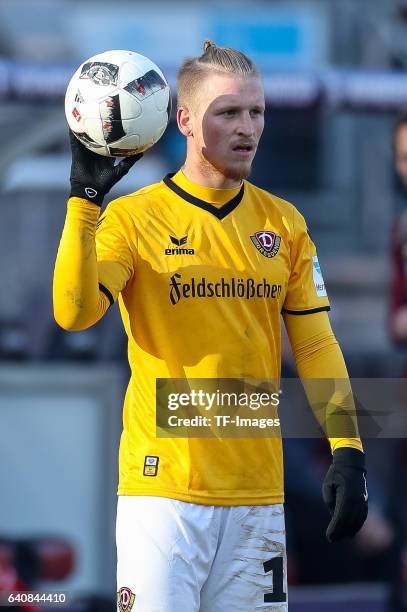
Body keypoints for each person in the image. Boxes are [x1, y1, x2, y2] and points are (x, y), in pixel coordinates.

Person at [53, 41, 368, 612]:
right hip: (163, 495)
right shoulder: (133, 218)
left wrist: (347, 447)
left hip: (258, 499)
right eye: (228, 113)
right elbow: (73, 314)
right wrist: (84, 202)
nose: (247, 127)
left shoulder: (284, 223)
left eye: (257, 112)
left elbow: (317, 344)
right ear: (185, 121)